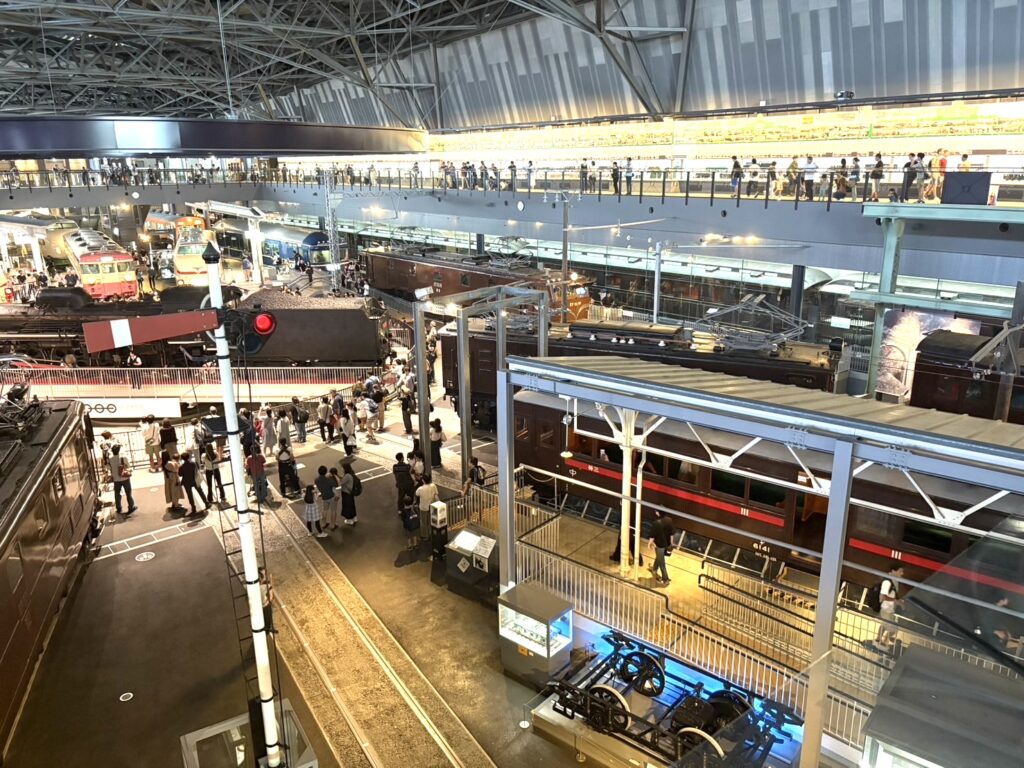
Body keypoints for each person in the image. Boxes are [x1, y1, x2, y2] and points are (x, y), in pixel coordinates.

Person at [871, 563, 905, 651]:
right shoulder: (887, 582)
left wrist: (898, 601)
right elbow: (882, 597)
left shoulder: (893, 581)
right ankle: (884, 644)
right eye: (900, 571)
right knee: (893, 629)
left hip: (888, 609)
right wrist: (896, 601)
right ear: (893, 571)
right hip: (886, 609)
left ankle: (878, 641)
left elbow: (891, 595)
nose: (902, 573)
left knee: (885, 625)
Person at [108, 444, 138, 516]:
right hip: (125, 478)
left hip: (116, 479)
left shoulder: (110, 459)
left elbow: (109, 468)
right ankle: (131, 506)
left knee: (117, 494)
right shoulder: (123, 458)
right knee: (128, 493)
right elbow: (128, 466)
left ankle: (119, 508)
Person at [178, 450, 208, 517]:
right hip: (194, 480)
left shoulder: (181, 467)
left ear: (182, 458)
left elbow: (180, 475)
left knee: (190, 495)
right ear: (188, 457)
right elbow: (197, 470)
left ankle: (193, 508)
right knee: (200, 491)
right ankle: (206, 503)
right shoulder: (193, 463)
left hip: (186, 482)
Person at [649, 510, 673, 585]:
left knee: (662, 563)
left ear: (658, 513)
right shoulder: (669, 520)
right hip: (667, 544)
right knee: (659, 557)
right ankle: (654, 569)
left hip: (659, 545)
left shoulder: (656, 523)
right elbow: (672, 533)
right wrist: (671, 543)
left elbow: (652, 535)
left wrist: (649, 544)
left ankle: (665, 580)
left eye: (656, 511)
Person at [315, 465, 339, 530]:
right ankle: (332, 525)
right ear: (326, 472)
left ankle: (323, 523)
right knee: (333, 511)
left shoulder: (316, 480)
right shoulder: (328, 480)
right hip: (332, 496)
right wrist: (332, 476)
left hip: (324, 497)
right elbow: (336, 484)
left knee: (324, 510)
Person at [415, 473, 439, 537]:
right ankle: (432, 533)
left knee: (424, 522)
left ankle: (425, 535)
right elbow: (436, 494)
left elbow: (416, 494)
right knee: (431, 520)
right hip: (432, 506)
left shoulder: (420, 489)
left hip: (423, 507)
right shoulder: (433, 485)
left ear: (423, 481)